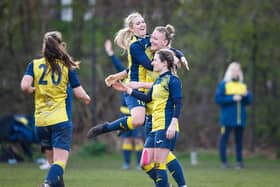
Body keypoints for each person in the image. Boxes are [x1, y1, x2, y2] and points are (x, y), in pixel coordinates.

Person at [89, 23, 187, 186]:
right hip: (152, 113)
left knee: (161, 159)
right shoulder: (148, 52)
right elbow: (132, 70)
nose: (151, 39)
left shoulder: (167, 63)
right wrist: (123, 82)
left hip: (163, 118)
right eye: (151, 37)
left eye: (155, 38)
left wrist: (136, 84)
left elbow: (165, 85)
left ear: (165, 43)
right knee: (146, 163)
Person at [21, 31, 91, 187]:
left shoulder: (34, 64)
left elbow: (24, 86)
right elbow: (79, 93)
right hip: (60, 121)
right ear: (59, 47)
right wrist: (87, 98)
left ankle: (50, 183)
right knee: (60, 162)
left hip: (40, 122)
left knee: (53, 164)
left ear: (44, 48)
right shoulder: (66, 67)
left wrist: (35, 90)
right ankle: (46, 184)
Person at [112, 49, 184, 187]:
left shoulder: (173, 80)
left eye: (155, 60)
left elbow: (179, 103)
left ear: (164, 63)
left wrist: (173, 123)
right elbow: (147, 98)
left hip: (165, 125)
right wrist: (127, 90)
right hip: (155, 127)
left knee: (159, 164)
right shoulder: (158, 81)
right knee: (146, 162)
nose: (152, 63)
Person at [104, 39, 144, 170]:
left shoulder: (141, 76)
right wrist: (110, 52)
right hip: (125, 113)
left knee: (138, 140)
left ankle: (139, 164)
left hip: (137, 113)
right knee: (126, 140)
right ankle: (126, 163)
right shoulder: (126, 73)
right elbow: (116, 64)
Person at [215, 62, 252, 169]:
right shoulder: (224, 84)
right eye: (233, 70)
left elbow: (249, 101)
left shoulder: (242, 85)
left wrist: (246, 96)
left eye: (238, 70)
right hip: (227, 119)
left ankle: (239, 162)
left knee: (239, 141)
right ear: (229, 72)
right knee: (224, 140)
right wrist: (232, 98)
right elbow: (218, 99)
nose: (236, 72)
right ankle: (224, 162)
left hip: (240, 120)